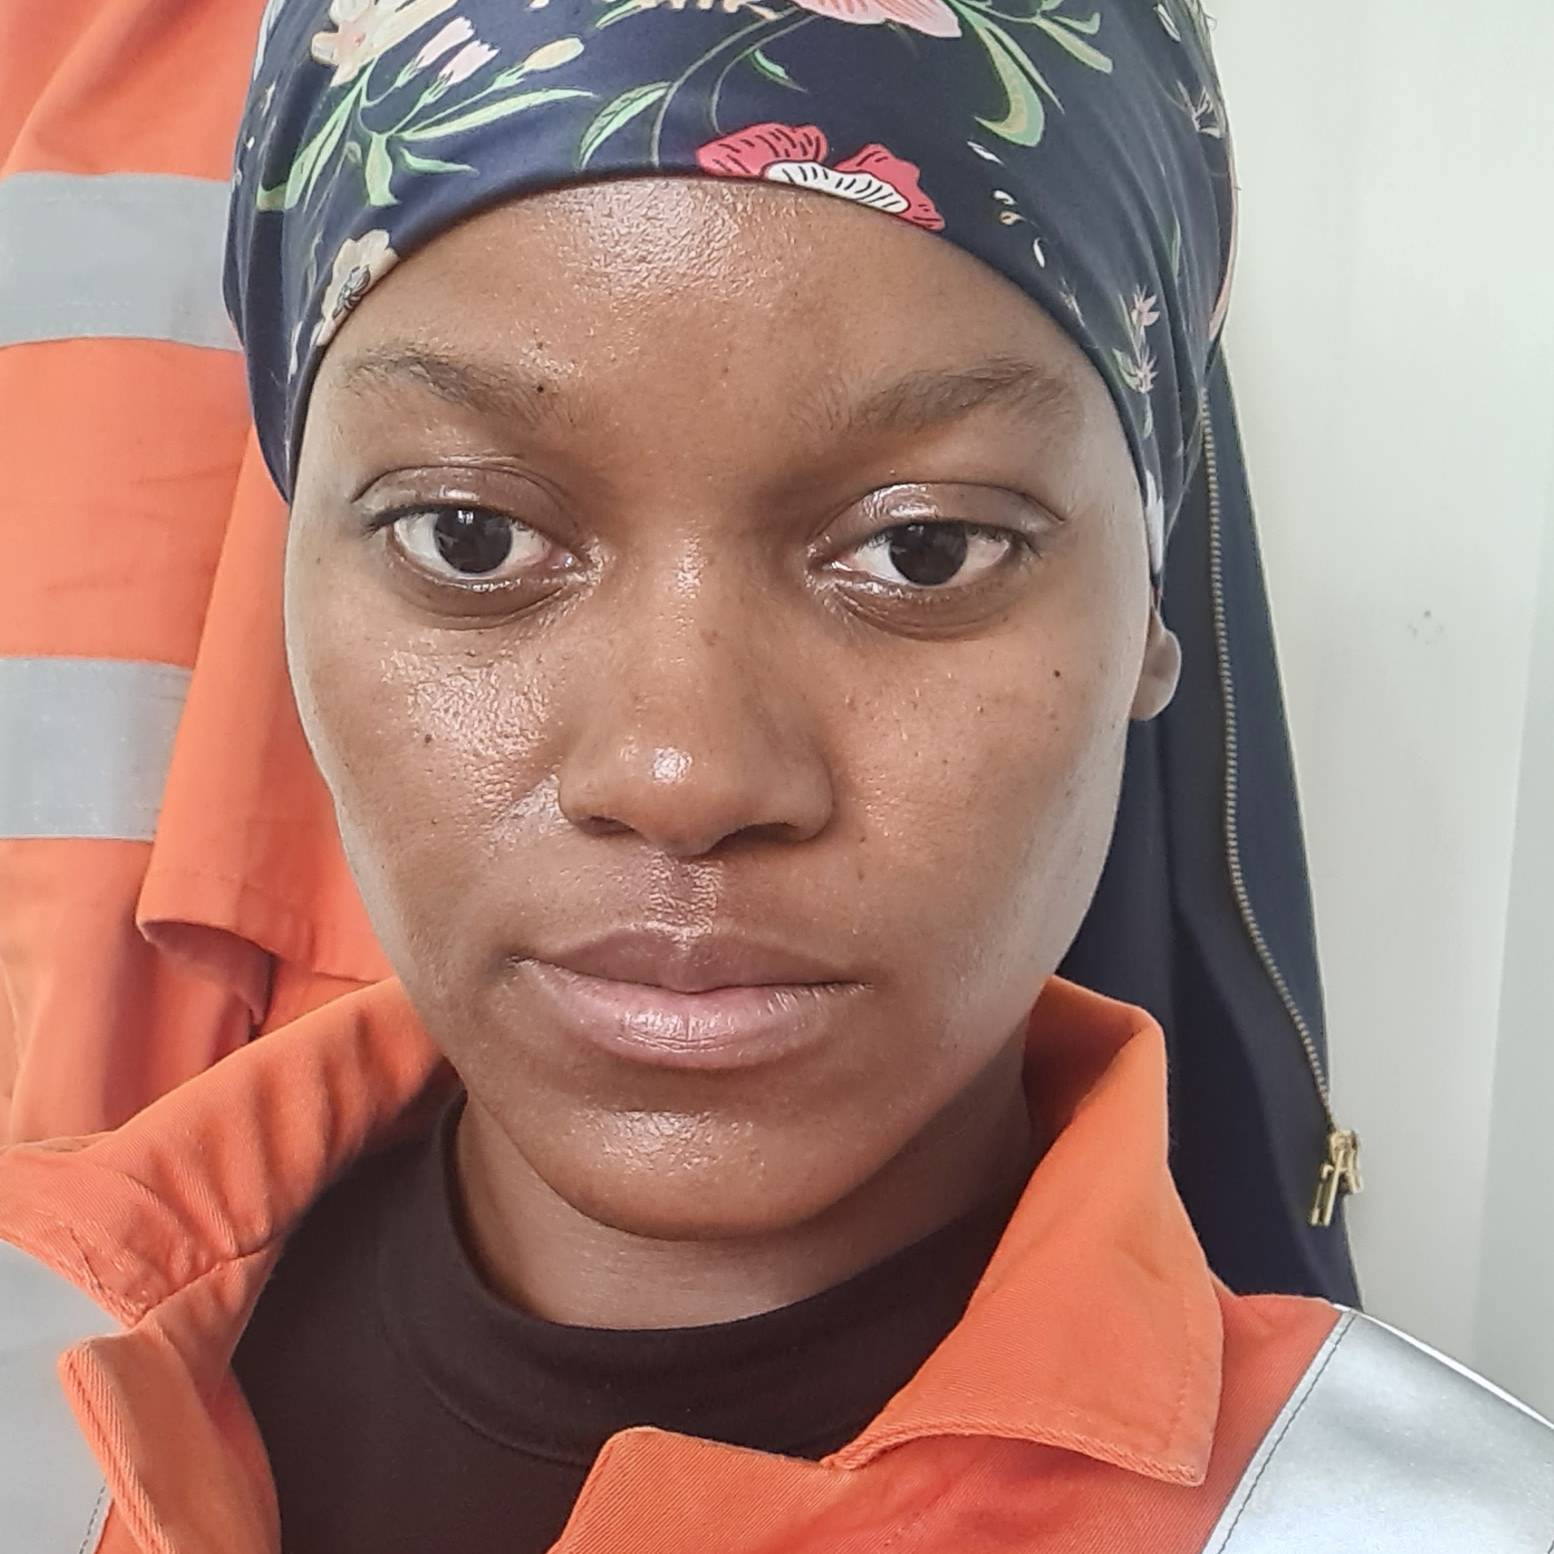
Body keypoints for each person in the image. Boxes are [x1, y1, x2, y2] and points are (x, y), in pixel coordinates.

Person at [0, 2, 1541, 1551]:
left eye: (920, 548)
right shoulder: (33, 1352)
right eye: (469, 533)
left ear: (1145, 606)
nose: (681, 773)